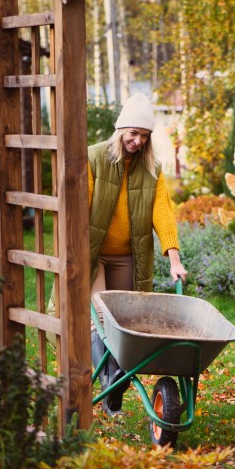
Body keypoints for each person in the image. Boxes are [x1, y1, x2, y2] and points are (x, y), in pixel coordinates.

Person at [88, 93, 187, 415]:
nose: (137, 141)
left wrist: (174, 259)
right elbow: (78, 207)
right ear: (120, 131)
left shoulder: (151, 168)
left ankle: (114, 380)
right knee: (100, 316)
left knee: (124, 321)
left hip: (128, 255)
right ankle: (110, 382)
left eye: (144, 136)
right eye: (133, 134)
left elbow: (163, 213)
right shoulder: (93, 159)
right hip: (93, 254)